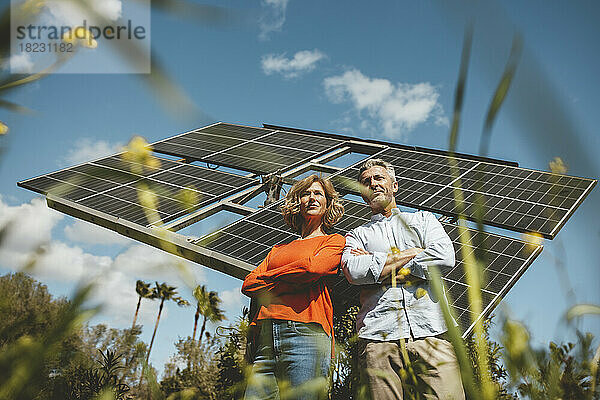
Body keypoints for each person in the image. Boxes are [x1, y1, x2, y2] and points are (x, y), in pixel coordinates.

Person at [341, 159, 465, 400]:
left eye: (379, 178)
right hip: (378, 337)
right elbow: (354, 271)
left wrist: (377, 266)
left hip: (431, 331)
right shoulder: (357, 235)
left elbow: (445, 256)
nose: (373, 184)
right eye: (366, 182)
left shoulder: (424, 220)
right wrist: (416, 252)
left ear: (394, 186)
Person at [241, 174, 345, 400]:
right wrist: (293, 276)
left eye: (318, 193)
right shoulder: (278, 248)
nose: (312, 198)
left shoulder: (334, 241)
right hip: (266, 336)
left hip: (306, 333)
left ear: (328, 203)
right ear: (297, 203)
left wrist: (269, 279)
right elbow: (248, 284)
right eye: (305, 194)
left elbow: (313, 270)